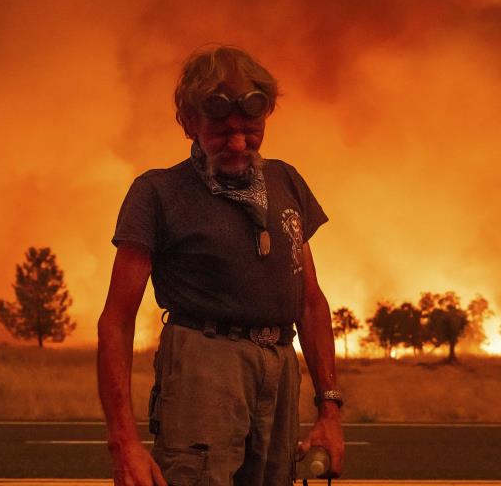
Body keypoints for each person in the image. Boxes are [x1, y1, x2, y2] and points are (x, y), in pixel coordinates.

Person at [97, 45, 344, 486]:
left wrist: (330, 410)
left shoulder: (286, 181)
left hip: (280, 366)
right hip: (202, 368)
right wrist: (124, 443)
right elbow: (116, 321)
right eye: (221, 131)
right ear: (188, 122)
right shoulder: (157, 192)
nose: (237, 144)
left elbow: (309, 302)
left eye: (250, 130)